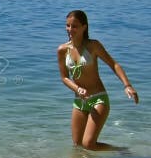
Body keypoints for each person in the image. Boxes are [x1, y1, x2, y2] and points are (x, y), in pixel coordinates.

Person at [57, 10, 138, 150]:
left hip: (98, 98)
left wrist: (127, 85)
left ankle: (119, 151)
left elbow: (114, 64)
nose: (70, 30)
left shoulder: (93, 46)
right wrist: (77, 88)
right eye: (68, 26)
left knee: (88, 144)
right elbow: (64, 77)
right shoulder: (62, 50)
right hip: (79, 101)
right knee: (77, 145)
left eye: (74, 26)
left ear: (84, 27)